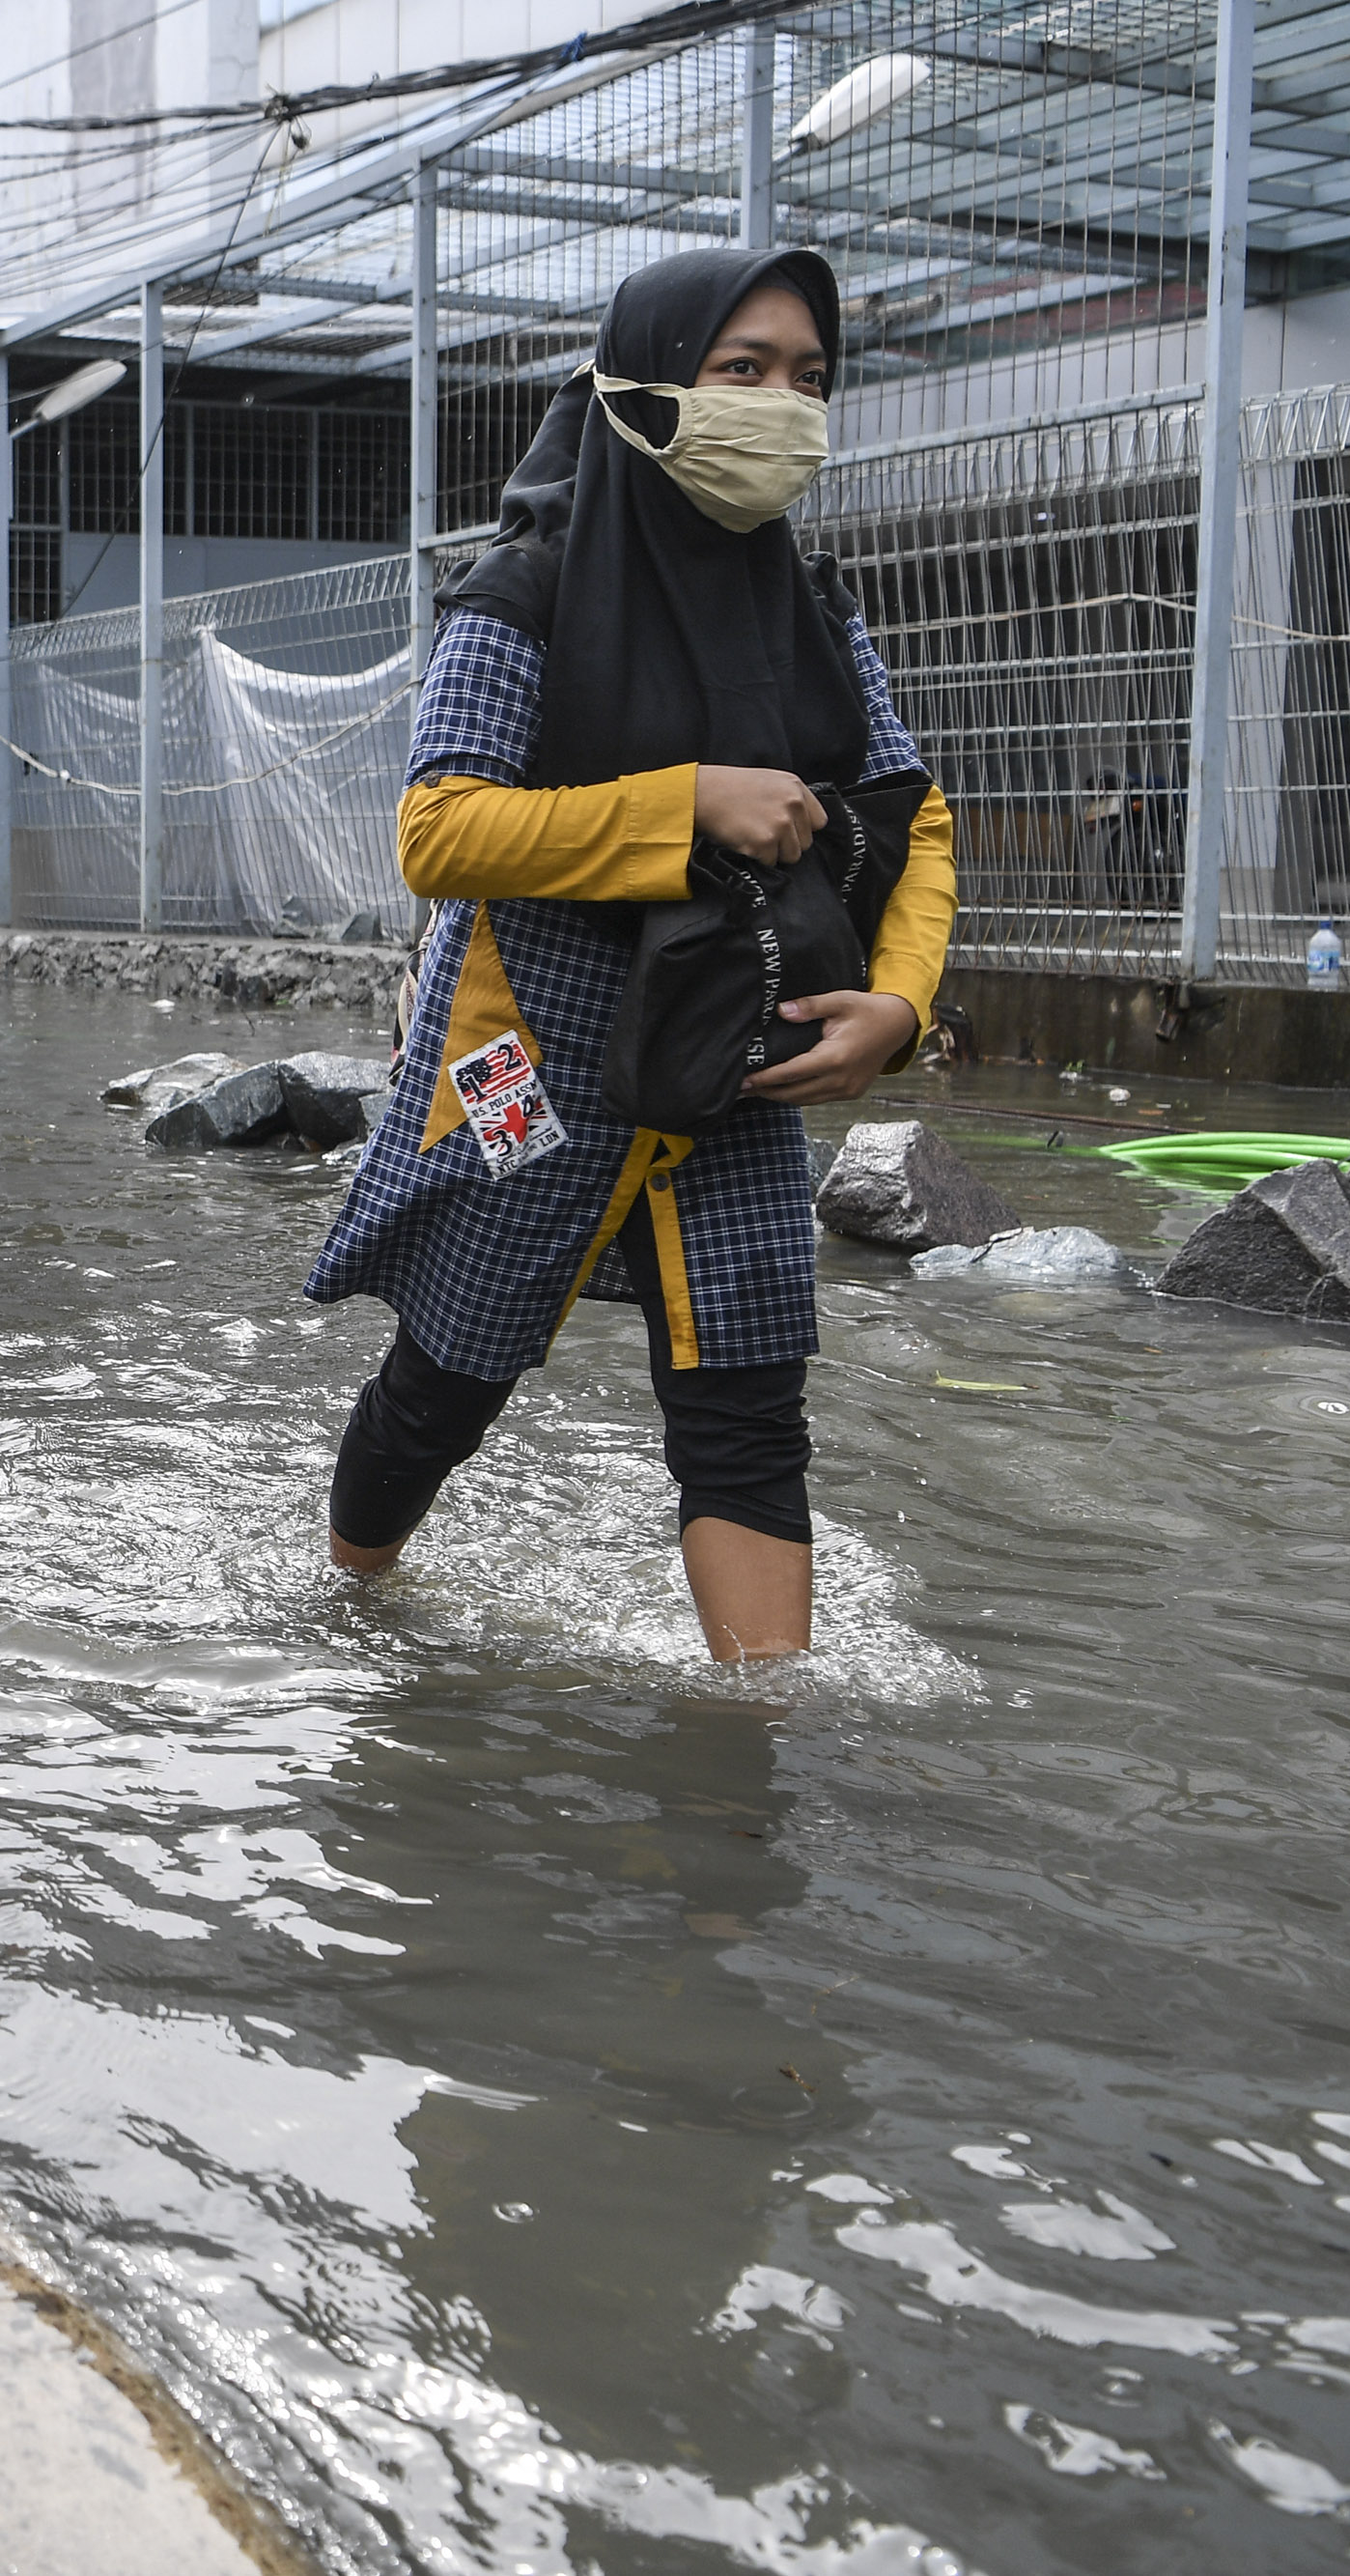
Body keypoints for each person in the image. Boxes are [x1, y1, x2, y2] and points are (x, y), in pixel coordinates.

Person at [303, 247, 959, 1663]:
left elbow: (914, 812)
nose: (784, 405)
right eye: (743, 373)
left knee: (746, 1392)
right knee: (451, 1371)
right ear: (646, 391)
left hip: (732, 1052)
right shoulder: (523, 591)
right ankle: (350, 1607)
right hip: (519, 1051)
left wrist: (900, 1005)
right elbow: (440, 827)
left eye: (809, 378)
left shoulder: (820, 614)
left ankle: (765, 1740)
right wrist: (692, 801)